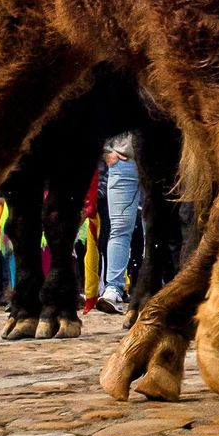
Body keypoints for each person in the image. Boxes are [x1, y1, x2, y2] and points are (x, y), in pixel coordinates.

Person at [96, 130, 139, 313]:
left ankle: (155, 287)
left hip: (160, 161)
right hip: (124, 162)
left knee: (158, 229)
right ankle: (113, 288)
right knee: (119, 228)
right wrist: (106, 151)